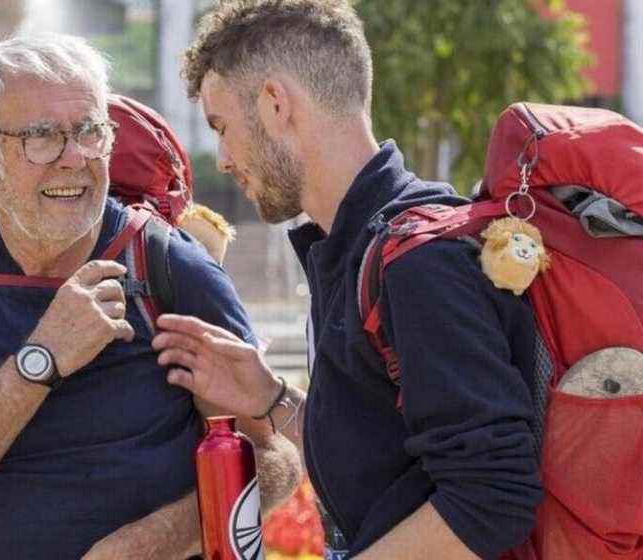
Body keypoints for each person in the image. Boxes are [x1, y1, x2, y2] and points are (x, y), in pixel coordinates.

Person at [0, 33, 299, 559]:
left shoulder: (170, 267)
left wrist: (154, 542)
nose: (75, 157)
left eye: (89, 131)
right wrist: (42, 360)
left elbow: (273, 456)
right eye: (40, 136)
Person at [152, 1, 543, 559]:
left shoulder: (416, 262)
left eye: (222, 127)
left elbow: (493, 495)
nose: (225, 158)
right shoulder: (361, 248)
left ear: (274, 104)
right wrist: (268, 398)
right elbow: (382, 466)